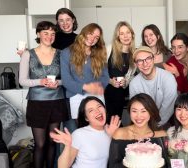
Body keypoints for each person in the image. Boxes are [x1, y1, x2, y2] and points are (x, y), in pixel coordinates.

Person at [19, 21, 68, 168]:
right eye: (45, 33)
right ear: (38, 34)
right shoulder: (28, 54)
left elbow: (67, 79)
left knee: (53, 142)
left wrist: (58, 83)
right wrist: (40, 81)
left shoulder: (61, 54)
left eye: (52, 34)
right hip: (37, 103)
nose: (49, 36)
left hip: (57, 101)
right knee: (40, 144)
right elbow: (22, 81)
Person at [60, 23, 109, 128]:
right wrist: (86, 87)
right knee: (82, 130)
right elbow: (66, 80)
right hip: (76, 95)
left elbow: (105, 77)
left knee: (98, 129)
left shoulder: (99, 52)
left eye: (96, 37)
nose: (92, 39)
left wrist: (99, 87)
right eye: (91, 34)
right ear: (84, 32)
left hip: (97, 95)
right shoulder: (66, 53)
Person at [50, 96, 120, 168]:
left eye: (99, 106)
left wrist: (111, 136)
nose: (97, 111)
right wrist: (67, 147)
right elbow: (62, 167)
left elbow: (117, 160)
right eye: (91, 110)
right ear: (86, 118)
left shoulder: (110, 130)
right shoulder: (79, 134)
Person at [108, 93, 170, 168]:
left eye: (143, 111)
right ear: (129, 112)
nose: (138, 116)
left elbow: (166, 164)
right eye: (134, 111)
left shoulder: (161, 135)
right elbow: (113, 165)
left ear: (151, 112)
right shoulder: (120, 133)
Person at [129, 46, 177, 128]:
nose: (145, 63)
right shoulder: (134, 83)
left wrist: (155, 125)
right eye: (140, 61)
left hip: (166, 121)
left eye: (148, 58)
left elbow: (168, 108)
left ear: (153, 59)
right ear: (135, 64)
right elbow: (135, 109)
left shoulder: (168, 78)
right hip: (143, 123)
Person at [104, 21, 136, 124]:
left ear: (132, 34)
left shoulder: (134, 54)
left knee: (117, 120)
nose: (125, 36)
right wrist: (110, 81)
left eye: (128, 32)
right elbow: (98, 70)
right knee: (109, 121)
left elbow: (130, 76)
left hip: (121, 93)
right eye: (121, 33)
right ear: (118, 36)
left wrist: (125, 82)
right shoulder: (109, 49)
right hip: (106, 91)